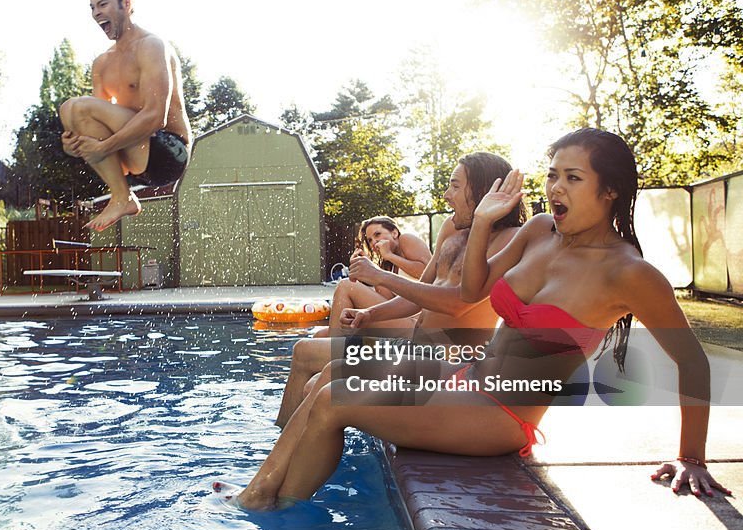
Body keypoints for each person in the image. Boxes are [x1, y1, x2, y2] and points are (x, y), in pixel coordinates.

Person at [229, 128, 729, 510]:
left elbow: (692, 362)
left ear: (610, 192)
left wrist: (691, 457)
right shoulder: (539, 232)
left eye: (573, 178)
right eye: (553, 174)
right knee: (333, 375)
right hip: (466, 380)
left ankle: (269, 512)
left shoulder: (629, 273)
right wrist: (486, 220)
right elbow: (472, 290)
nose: (556, 187)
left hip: (502, 416)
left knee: (336, 399)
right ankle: (260, 489)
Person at [277, 152, 526, 427]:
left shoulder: (510, 240)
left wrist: (380, 276)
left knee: (318, 386)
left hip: (450, 357)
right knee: (303, 351)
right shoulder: (451, 229)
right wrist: (370, 315)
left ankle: (286, 455)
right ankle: (280, 441)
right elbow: (422, 293)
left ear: (483, 191)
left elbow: (457, 304)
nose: (446, 195)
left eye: (455, 186)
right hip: (414, 345)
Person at [59, 0, 193, 232]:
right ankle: (122, 195)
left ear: (126, 2)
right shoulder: (102, 63)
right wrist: (73, 146)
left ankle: (122, 197)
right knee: (70, 110)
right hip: (133, 156)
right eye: (93, 7)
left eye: (103, 4)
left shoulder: (152, 46)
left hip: (168, 152)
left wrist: (105, 146)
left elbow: (156, 117)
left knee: (79, 106)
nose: (97, 13)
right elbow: (94, 127)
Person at [313, 216, 431, 339]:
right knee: (320, 335)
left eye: (378, 234)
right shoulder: (386, 265)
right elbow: (386, 302)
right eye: (370, 240)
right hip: (400, 321)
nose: (374, 242)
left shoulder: (406, 239)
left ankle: (334, 350)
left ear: (394, 233)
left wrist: (389, 255)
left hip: (420, 325)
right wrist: (370, 268)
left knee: (346, 285)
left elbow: (428, 274)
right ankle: (334, 348)